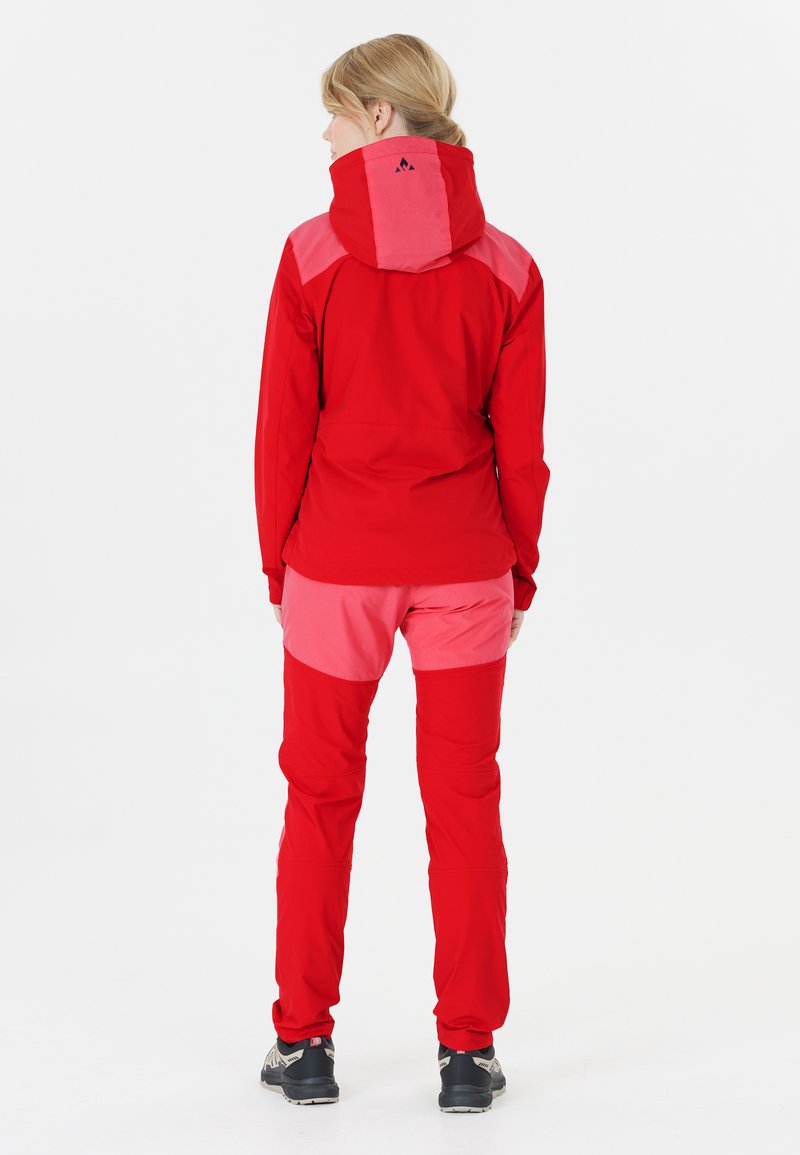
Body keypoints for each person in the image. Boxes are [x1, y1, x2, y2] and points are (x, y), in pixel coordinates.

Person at [255, 33, 550, 1112]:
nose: (326, 134)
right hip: (465, 563)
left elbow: (282, 431)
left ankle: (304, 1043)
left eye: (336, 113)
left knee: (318, 798)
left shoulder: (308, 256)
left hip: (334, 564)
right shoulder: (507, 266)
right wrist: (517, 574)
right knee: (464, 803)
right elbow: (521, 446)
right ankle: (467, 1055)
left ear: (380, 118)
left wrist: (278, 566)